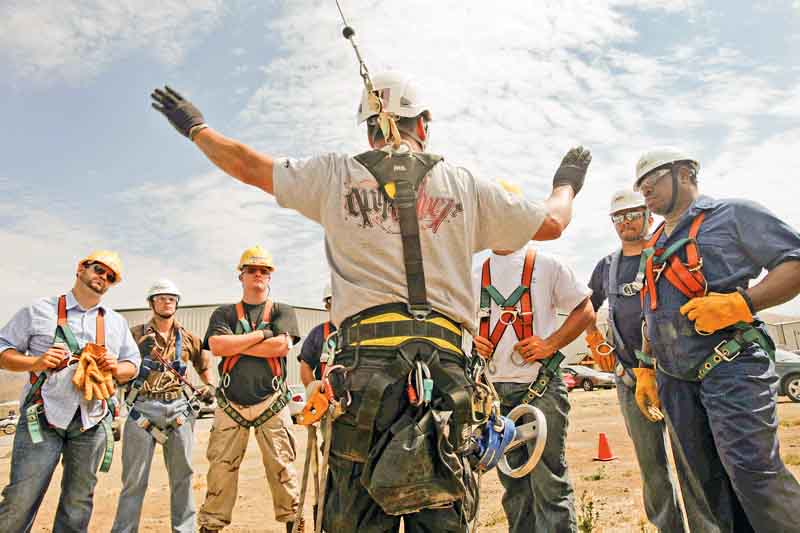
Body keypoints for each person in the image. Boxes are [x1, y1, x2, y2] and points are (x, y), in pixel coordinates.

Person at [150, 72, 590, 532]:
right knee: (443, 509)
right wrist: (566, 182)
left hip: (364, 377)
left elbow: (248, 165)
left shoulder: (336, 175)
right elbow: (554, 223)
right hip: (445, 376)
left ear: (367, 129)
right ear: (424, 124)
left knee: (355, 516)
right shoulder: (467, 186)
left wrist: (195, 126)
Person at [633, 148, 800, 532]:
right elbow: (651, 310)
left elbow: (794, 260)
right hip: (675, 379)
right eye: (639, 184)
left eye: (652, 179)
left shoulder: (733, 214)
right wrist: (645, 367)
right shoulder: (653, 242)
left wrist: (743, 302)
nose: (644, 189)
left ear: (686, 173)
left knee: (753, 473)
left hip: (732, 365)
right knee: (707, 485)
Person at [472, 197, 594, 532]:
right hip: (495, 393)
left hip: (540, 386)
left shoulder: (547, 264)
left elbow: (585, 310)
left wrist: (549, 344)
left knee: (549, 483)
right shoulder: (474, 270)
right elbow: (457, 320)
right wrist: (471, 339)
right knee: (514, 485)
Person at [0, 250, 140, 532]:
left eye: (110, 277)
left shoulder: (115, 322)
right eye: (99, 269)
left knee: (78, 502)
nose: (103, 278)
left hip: (92, 421)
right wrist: (35, 362)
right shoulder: (39, 310)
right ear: (81, 268)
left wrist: (116, 366)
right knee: (21, 496)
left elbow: (133, 365)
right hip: (42, 417)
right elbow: (3, 350)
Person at [584, 189, 687, 532]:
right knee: (652, 466)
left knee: (693, 461)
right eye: (619, 216)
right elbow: (584, 305)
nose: (626, 221)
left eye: (632, 214)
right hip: (630, 380)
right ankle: (668, 527)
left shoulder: (668, 255)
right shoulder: (607, 267)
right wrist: (595, 339)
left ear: (649, 215)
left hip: (679, 377)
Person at [197, 246, 301, 533]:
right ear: (240, 276)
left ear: (270, 278)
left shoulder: (282, 310)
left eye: (264, 271)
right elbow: (217, 346)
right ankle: (211, 526)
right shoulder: (225, 313)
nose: (258, 275)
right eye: (252, 270)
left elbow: (281, 346)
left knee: (283, 469)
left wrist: (239, 343)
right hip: (231, 404)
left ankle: (293, 522)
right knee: (220, 470)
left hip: (272, 403)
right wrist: (262, 335)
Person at [112, 279, 212, 533]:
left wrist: (209, 387)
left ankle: (184, 529)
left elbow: (204, 366)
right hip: (141, 410)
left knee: (183, 478)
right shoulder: (133, 335)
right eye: (160, 298)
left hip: (179, 410)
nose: (166, 302)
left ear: (176, 303)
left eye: (171, 298)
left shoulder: (188, 338)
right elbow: (117, 372)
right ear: (151, 303)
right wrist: (136, 350)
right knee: (134, 480)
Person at [298, 284, 336, 387]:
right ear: (327, 306)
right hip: (328, 399)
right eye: (333, 301)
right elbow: (305, 365)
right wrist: (315, 392)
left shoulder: (363, 329)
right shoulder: (317, 333)